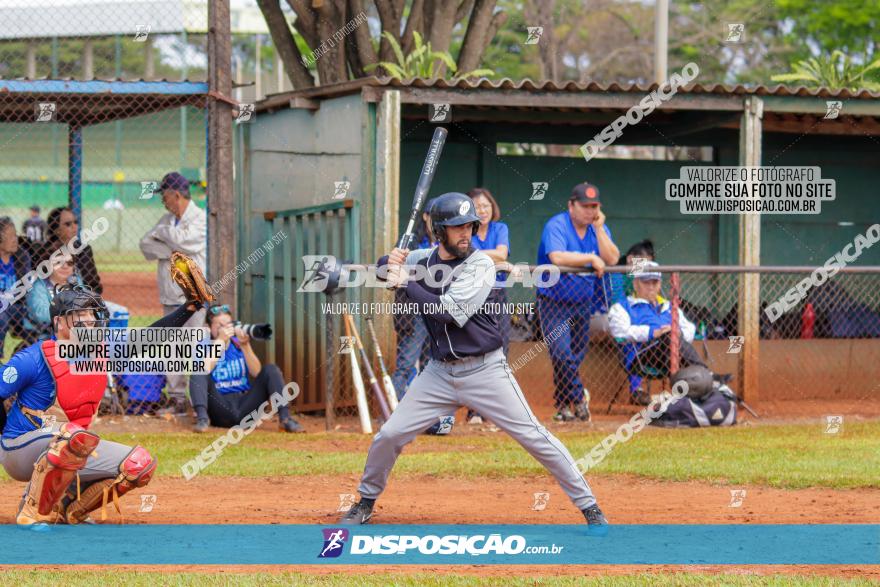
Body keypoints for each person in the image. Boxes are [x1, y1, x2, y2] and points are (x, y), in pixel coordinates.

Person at [337, 192, 608, 531]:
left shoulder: (480, 264)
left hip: (485, 371)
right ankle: (364, 501)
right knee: (389, 435)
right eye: (457, 228)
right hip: (438, 372)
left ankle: (589, 506)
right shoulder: (424, 258)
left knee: (534, 436)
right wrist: (390, 263)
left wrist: (405, 281)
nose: (467, 233)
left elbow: (449, 312)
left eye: (470, 226)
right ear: (440, 231)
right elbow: (382, 268)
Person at [0, 282, 205, 525]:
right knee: (72, 437)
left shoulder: (102, 350)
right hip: (19, 447)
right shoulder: (33, 358)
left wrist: (190, 307)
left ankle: (68, 509)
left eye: (91, 313)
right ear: (59, 323)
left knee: (139, 465)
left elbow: (153, 336)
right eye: (79, 314)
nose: (88, 320)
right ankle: (32, 512)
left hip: (69, 444)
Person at [536, 182, 619, 422]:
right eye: (584, 206)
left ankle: (563, 407)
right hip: (553, 301)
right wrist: (591, 258)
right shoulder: (557, 224)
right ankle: (580, 400)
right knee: (562, 354)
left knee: (574, 357)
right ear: (571, 206)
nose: (589, 211)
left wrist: (600, 229)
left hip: (583, 303)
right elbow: (557, 256)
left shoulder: (597, 228)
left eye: (594, 206)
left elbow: (612, 257)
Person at [139, 172, 208, 410]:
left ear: (175, 194)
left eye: (164, 196)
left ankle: (201, 400)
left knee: (195, 346)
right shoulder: (166, 219)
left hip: (193, 295)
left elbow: (188, 243)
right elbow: (145, 245)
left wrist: (166, 237)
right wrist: (171, 252)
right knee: (173, 349)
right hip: (170, 294)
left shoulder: (200, 218)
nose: (162, 201)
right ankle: (178, 398)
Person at [189, 303, 304, 433]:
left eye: (228, 325)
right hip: (219, 407)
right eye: (220, 326)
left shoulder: (237, 344)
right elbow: (204, 370)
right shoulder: (203, 345)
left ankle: (286, 419)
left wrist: (245, 345)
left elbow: (256, 372)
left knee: (271, 370)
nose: (225, 329)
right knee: (198, 371)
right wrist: (220, 341)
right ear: (209, 328)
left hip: (245, 405)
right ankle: (203, 420)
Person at [607, 261, 707, 402]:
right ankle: (706, 374)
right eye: (646, 282)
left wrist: (677, 333)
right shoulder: (623, 306)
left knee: (671, 335)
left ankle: (700, 381)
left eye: (655, 283)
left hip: (671, 354)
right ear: (636, 284)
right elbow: (620, 332)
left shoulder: (668, 306)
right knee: (668, 336)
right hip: (642, 356)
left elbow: (689, 328)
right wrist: (653, 332)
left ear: (660, 285)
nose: (651, 287)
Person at [466, 187, 510, 426]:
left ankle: (496, 410)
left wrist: (479, 255)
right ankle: (474, 410)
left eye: (486, 206)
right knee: (475, 351)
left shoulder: (500, 229)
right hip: (473, 296)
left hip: (498, 293)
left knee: (501, 351)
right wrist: (491, 257)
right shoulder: (465, 231)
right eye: (477, 207)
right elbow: (465, 256)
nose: (482, 211)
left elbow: (502, 254)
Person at [35, 208, 103, 295]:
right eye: (68, 224)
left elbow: (94, 285)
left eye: (75, 222)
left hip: (81, 299)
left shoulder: (84, 250)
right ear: (56, 229)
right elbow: (38, 283)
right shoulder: (44, 252)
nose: (74, 227)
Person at [24, 252, 79, 342]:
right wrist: (73, 315)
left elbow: (89, 305)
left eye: (69, 263)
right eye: (58, 263)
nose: (65, 266)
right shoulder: (38, 286)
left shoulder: (76, 282)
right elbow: (41, 315)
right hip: (43, 333)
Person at [0, 217, 32, 359]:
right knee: (2, 317)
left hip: (17, 306)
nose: (15, 239)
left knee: (39, 318)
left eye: (16, 235)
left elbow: (27, 286)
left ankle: (28, 359)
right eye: (11, 236)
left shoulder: (21, 256)